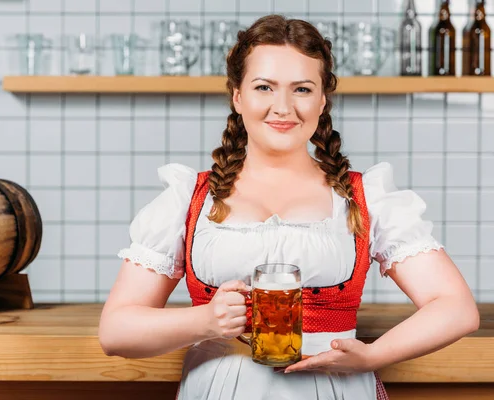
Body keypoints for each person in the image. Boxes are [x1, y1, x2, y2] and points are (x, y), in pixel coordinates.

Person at [98, 14, 480, 400]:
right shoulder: (189, 198)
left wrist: (372, 355)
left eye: (301, 89)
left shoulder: (365, 197)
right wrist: (204, 320)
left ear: (322, 99)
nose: (283, 107)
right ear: (237, 96)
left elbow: (456, 308)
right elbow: (116, 332)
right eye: (264, 87)